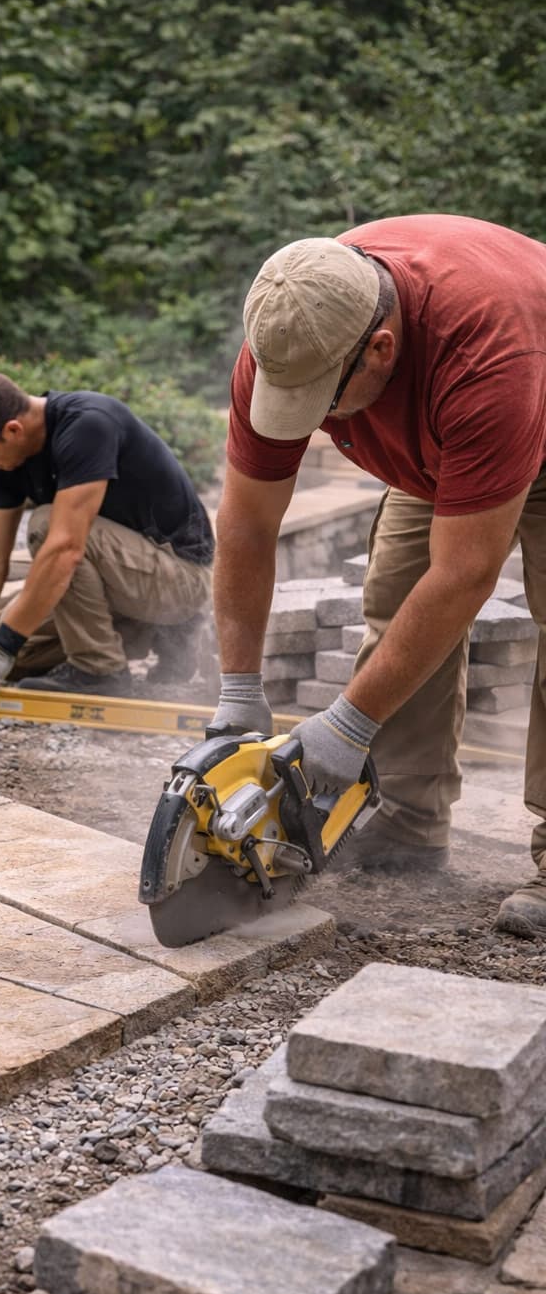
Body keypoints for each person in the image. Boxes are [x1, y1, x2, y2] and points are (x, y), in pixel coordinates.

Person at [211, 214, 546, 937]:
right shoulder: (292, 325)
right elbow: (244, 525)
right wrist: (238, 691)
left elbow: (466, 575)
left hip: (525, 397)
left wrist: (349, 724)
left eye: (320, 404)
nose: (307, 421)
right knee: (400, 609)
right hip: (449, 436)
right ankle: (408, 818)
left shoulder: (486, 350)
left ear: (380, 351)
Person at [0, 370, 214, 699]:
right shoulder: (8, 458)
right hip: (125, 579)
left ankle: (101, 671)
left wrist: (4, 648)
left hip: (181, 578)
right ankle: (157, 632)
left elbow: (66, 550)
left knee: (47, 528)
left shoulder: (87, 425)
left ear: (13, 430)